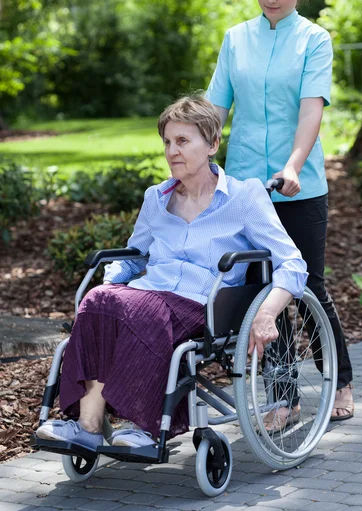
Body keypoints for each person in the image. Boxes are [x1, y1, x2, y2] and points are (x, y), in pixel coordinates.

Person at [36, 94, 308, 451]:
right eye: (167, 142)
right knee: (100, 300)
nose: (172, 151)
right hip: (150, 297)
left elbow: (292, 262)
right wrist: (110, 287)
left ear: (212, 144)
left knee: (138, 309)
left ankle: (144, 426)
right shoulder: (156, 198)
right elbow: (133, 256)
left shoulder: (244, 197)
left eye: (182, 141)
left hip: (204, 305)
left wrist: (268, 310)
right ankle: (87, 425)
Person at [206, 0, 354, 424]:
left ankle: (341, 382)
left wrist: (293, 164)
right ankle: (285, 398)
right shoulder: (236, 38)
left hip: (299, 186)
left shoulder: (314, 40)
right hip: (246, 188)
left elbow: (311, 111)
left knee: (307, 287)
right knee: (261, 291)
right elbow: (217, 110)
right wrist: (195, 152)